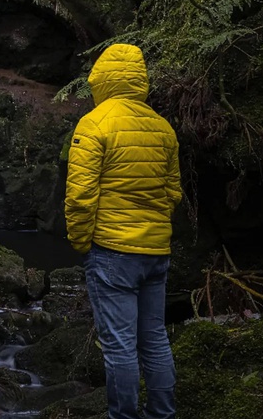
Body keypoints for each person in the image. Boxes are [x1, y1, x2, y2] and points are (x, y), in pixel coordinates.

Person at [65, 43, 182, 419]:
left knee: (119, 347)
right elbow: (172, 192)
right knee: (155, 340)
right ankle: (162, 414)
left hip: (112, 251)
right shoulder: (162, 127)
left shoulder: (95, 123)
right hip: (156, 252)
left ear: (100, 78)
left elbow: (81, 197)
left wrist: (84, 242)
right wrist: (152, 228)